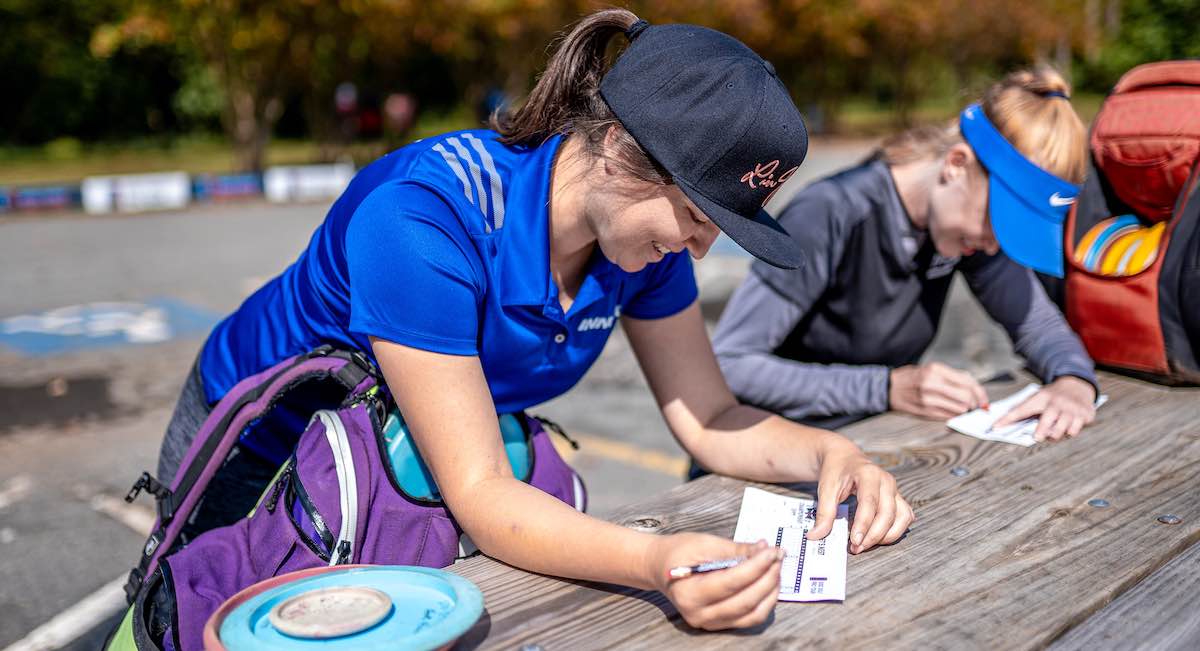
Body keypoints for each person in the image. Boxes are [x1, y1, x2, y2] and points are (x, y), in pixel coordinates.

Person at [155, 9, 912, 631]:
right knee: (188, 620)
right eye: (696, 214)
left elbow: (709, 414)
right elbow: (482, 496)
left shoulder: (644, 242)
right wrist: (658, 561)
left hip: (396, 469)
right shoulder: (423, 219)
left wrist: (826, 454)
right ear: (618, 149)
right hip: (261, 444)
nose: (701, 247)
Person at [713, 68, 1099, 449]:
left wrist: (1074, 382)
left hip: (873, 441)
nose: (995, 245)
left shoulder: (971, 232)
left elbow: (1037, 326)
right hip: (767, 451)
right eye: (1000, 222)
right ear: (957, 164)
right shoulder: (832, 211)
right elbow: (732, 364)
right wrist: (886, 388)